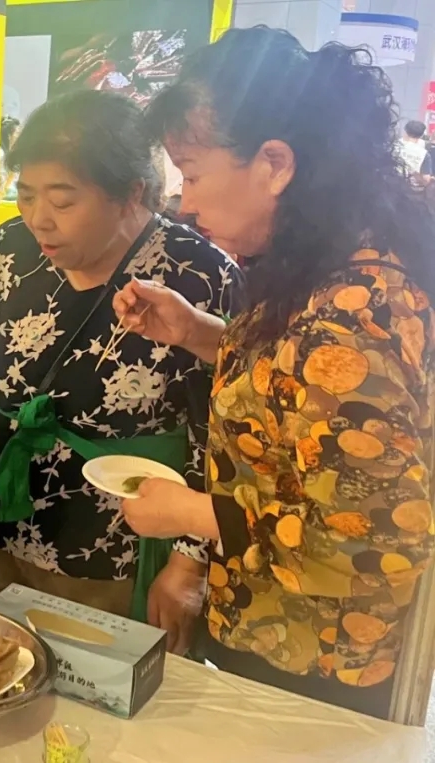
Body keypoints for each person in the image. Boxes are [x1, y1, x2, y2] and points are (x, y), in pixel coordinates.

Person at [114, 27, 435, 719]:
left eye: (193, 173)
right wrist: (197, 332)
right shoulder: (319, 263)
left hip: (321, 669)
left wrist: (191, 514)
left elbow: (373, 540)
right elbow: (301, 389)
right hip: (275, 632)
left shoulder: (354, 311)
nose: (186, 202)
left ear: (275, 163)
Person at [0, 90, 243, 651]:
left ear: (130, 193)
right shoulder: (11, 246)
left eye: (62, 200)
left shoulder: (200, 272)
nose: (39, 219)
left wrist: (189, 565)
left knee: (95, 688)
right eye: (26, 195)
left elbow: (222, 433)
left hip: (119, 547)